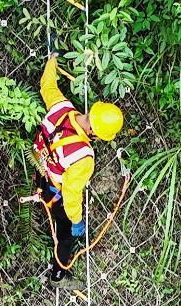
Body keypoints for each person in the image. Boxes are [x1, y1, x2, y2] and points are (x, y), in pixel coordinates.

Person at [34, 54, 123, 289]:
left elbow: (47, 86)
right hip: (56, 190)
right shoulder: (83, 157)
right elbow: (72, 193)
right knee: (66, 236)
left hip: (40, 169)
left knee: (55, 212)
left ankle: (50, 218)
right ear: (94, 132)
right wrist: (77, 220)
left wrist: (51, 62)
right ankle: (58, 276)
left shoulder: (61, 108)